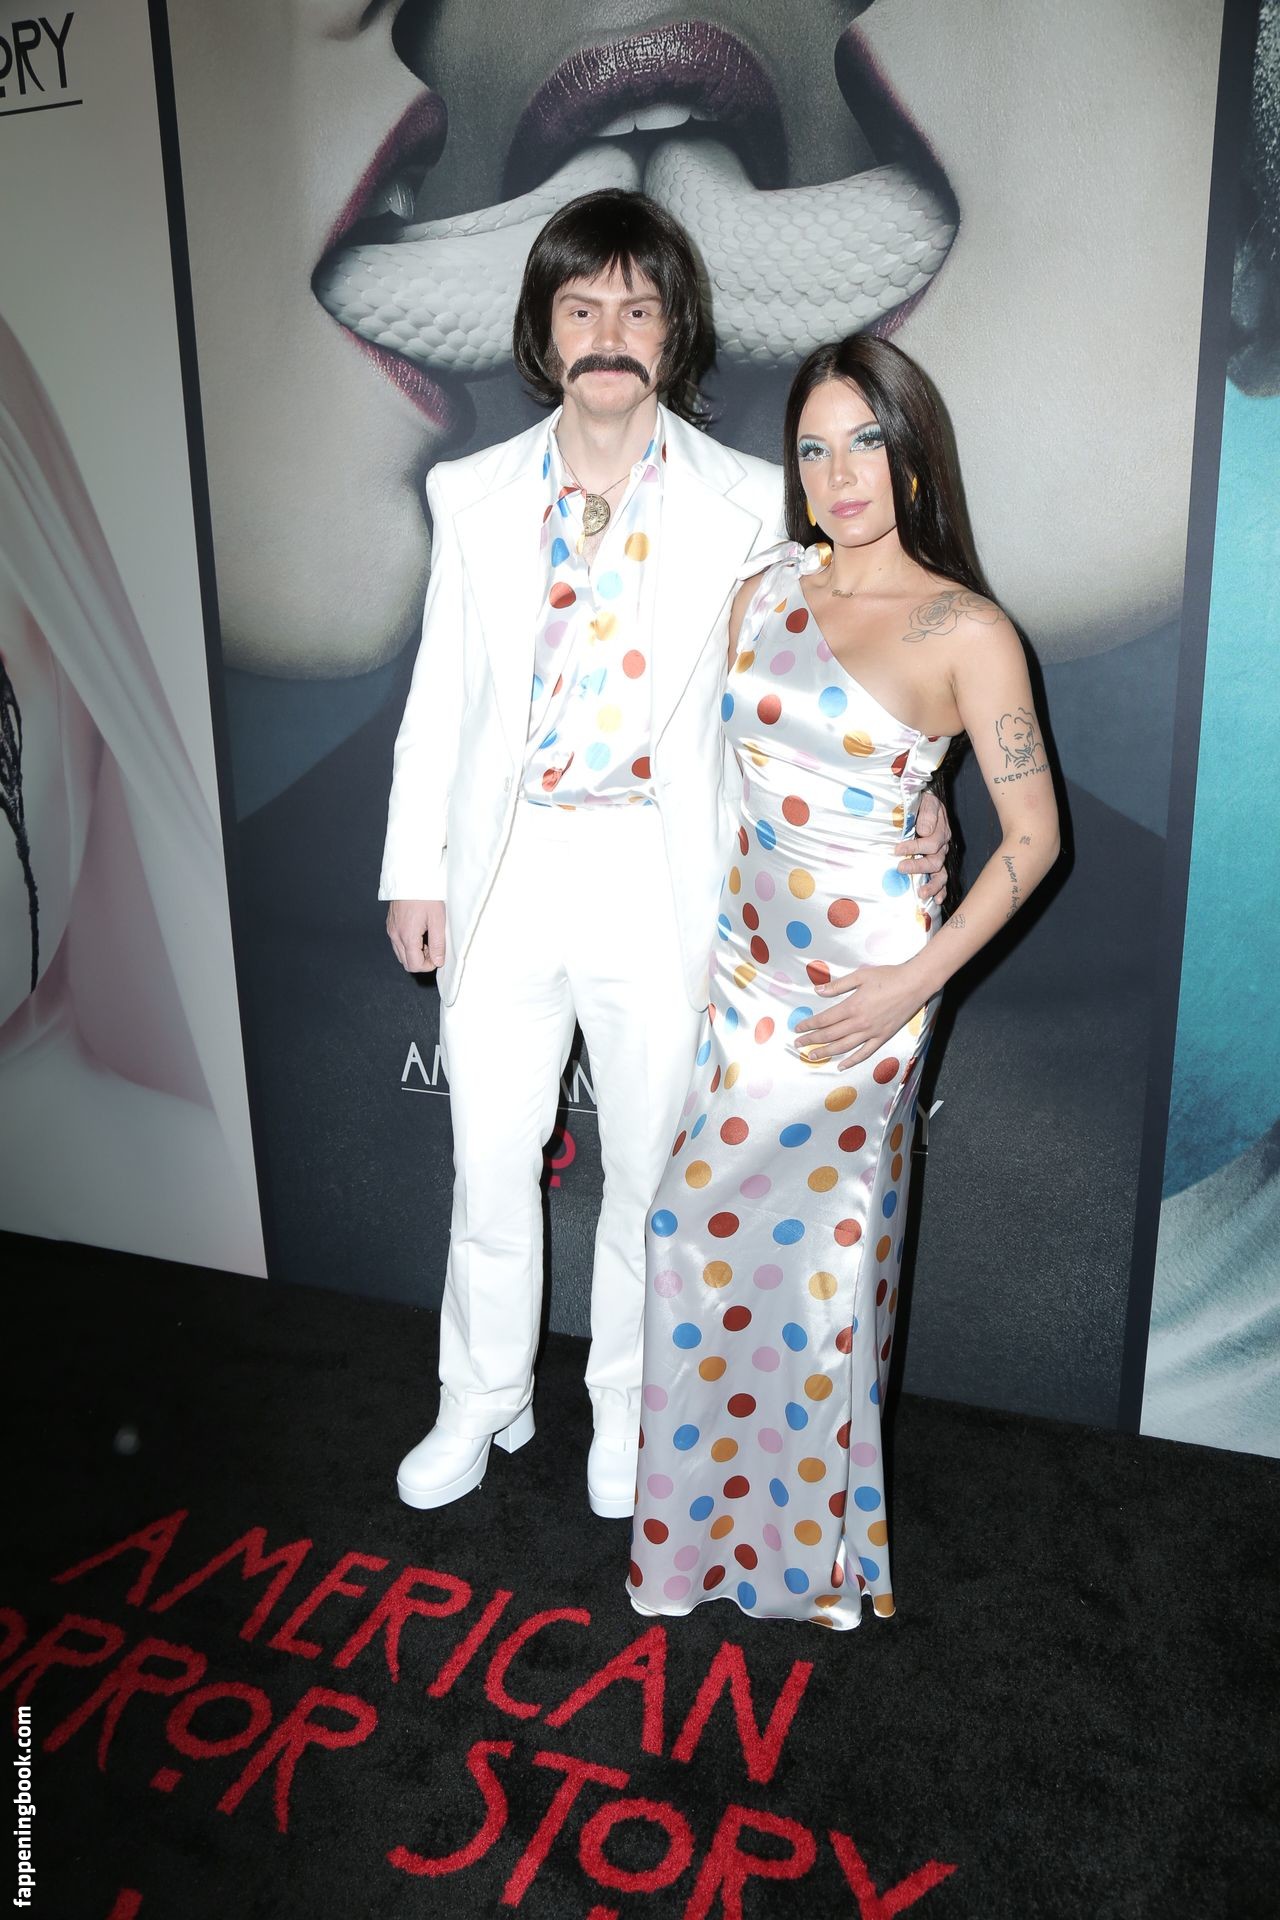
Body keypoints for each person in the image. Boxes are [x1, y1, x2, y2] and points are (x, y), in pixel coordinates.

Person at [380, 192, 951, 1517]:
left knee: (647, 1176)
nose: (608, 333)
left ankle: (626, 1418)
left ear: (673, 331)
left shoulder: (750, 502)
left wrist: (910, 791)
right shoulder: (468, 495)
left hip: (660, 873)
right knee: (488, 1167)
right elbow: (438, 691)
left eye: (636, 310)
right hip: (507, 872)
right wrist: (415, 865)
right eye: (581, 307)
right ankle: (482, 1399)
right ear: (544, 331)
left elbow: (822, 669)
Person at [628, 334, 1060, 1627]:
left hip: (864, 994)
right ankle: (703, 1541)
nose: (840, 473)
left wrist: (909, 985)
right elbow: (717, 765)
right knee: (694, 1240)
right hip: (746, 972)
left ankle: (799, 1564)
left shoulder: (967, 629)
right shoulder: (764, 590)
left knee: (815, 1270)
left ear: (912, 453)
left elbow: (1035, 839)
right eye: (813, 449)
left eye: (866, 440)